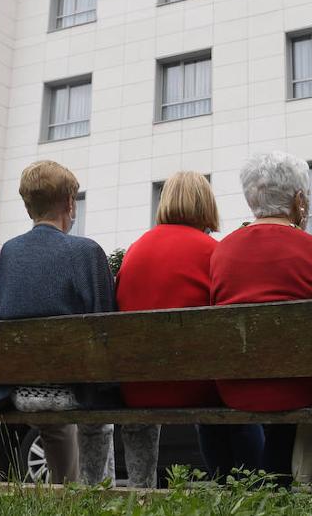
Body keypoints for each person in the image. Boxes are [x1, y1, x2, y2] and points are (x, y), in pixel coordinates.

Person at [208, 151, 312, 486]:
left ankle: (275, 490)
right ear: (299, 200)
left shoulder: (222, 252)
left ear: (252, 198)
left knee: (282, 389)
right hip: (304, 385)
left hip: (239, 387)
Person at [0, 160, 115, 485]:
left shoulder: (9, 254)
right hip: (71, 389)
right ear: (69, 204)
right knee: (104, 414)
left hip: (17, 388)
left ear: (29, 205)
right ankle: (94, 496)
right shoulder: (86, 252)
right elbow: (108, 331)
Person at [115, 171, 223, 488]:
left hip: (138, 388)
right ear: (207, 204)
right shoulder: (214, 252)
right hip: (196, 386)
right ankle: (242, 486)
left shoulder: (135, 251)